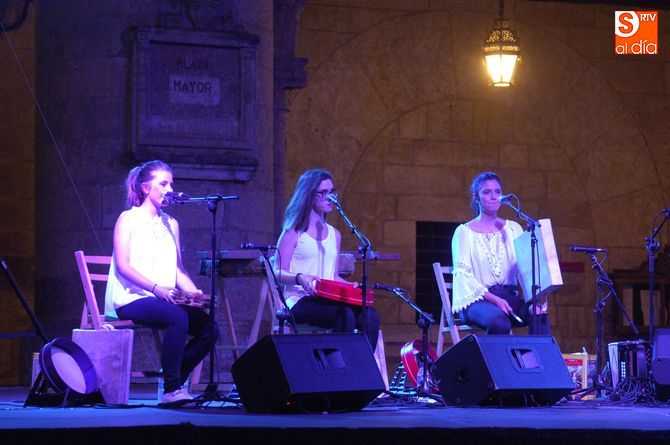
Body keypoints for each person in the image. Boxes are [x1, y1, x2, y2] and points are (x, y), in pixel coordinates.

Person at [104, 160, 219, 404]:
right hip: (132, 298)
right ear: (146, 188)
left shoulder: (172, 224)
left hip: (164, 299)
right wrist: (156, 289)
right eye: (163, 184)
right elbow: (123, 266)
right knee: (177, 317)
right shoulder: (128, 219)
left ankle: (173, 376)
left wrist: (194, 294)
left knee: (210, 328)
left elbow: (178, 269)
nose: (170, 189)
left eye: (171, 184)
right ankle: (171, 389)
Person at [274, 168, 380, 349]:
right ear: (308, 195)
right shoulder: (292, 231)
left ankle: (361, 363)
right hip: (299, 300)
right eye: (323, 193)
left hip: (328, 298)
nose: (330, 197)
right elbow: (276, 272)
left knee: (370, 315)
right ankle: (336, 364)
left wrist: (350, 286)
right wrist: (300, 278)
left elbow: (332, 276)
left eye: (332, 192)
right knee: (344, 314)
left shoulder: (335, 234)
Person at [451, 171, 549, 335]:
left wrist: (534, 301)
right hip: (477, 300)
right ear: (477, 198)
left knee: (539, 314)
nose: (493, 196)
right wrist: (495, 300)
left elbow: (525, 270)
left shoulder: (513, 229)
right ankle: (494, 354)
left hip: (509, 297)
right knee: (500, 322)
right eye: (487, 192)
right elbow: (463, 276)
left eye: (497, 191)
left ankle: (535, 353)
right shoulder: (464, 232)